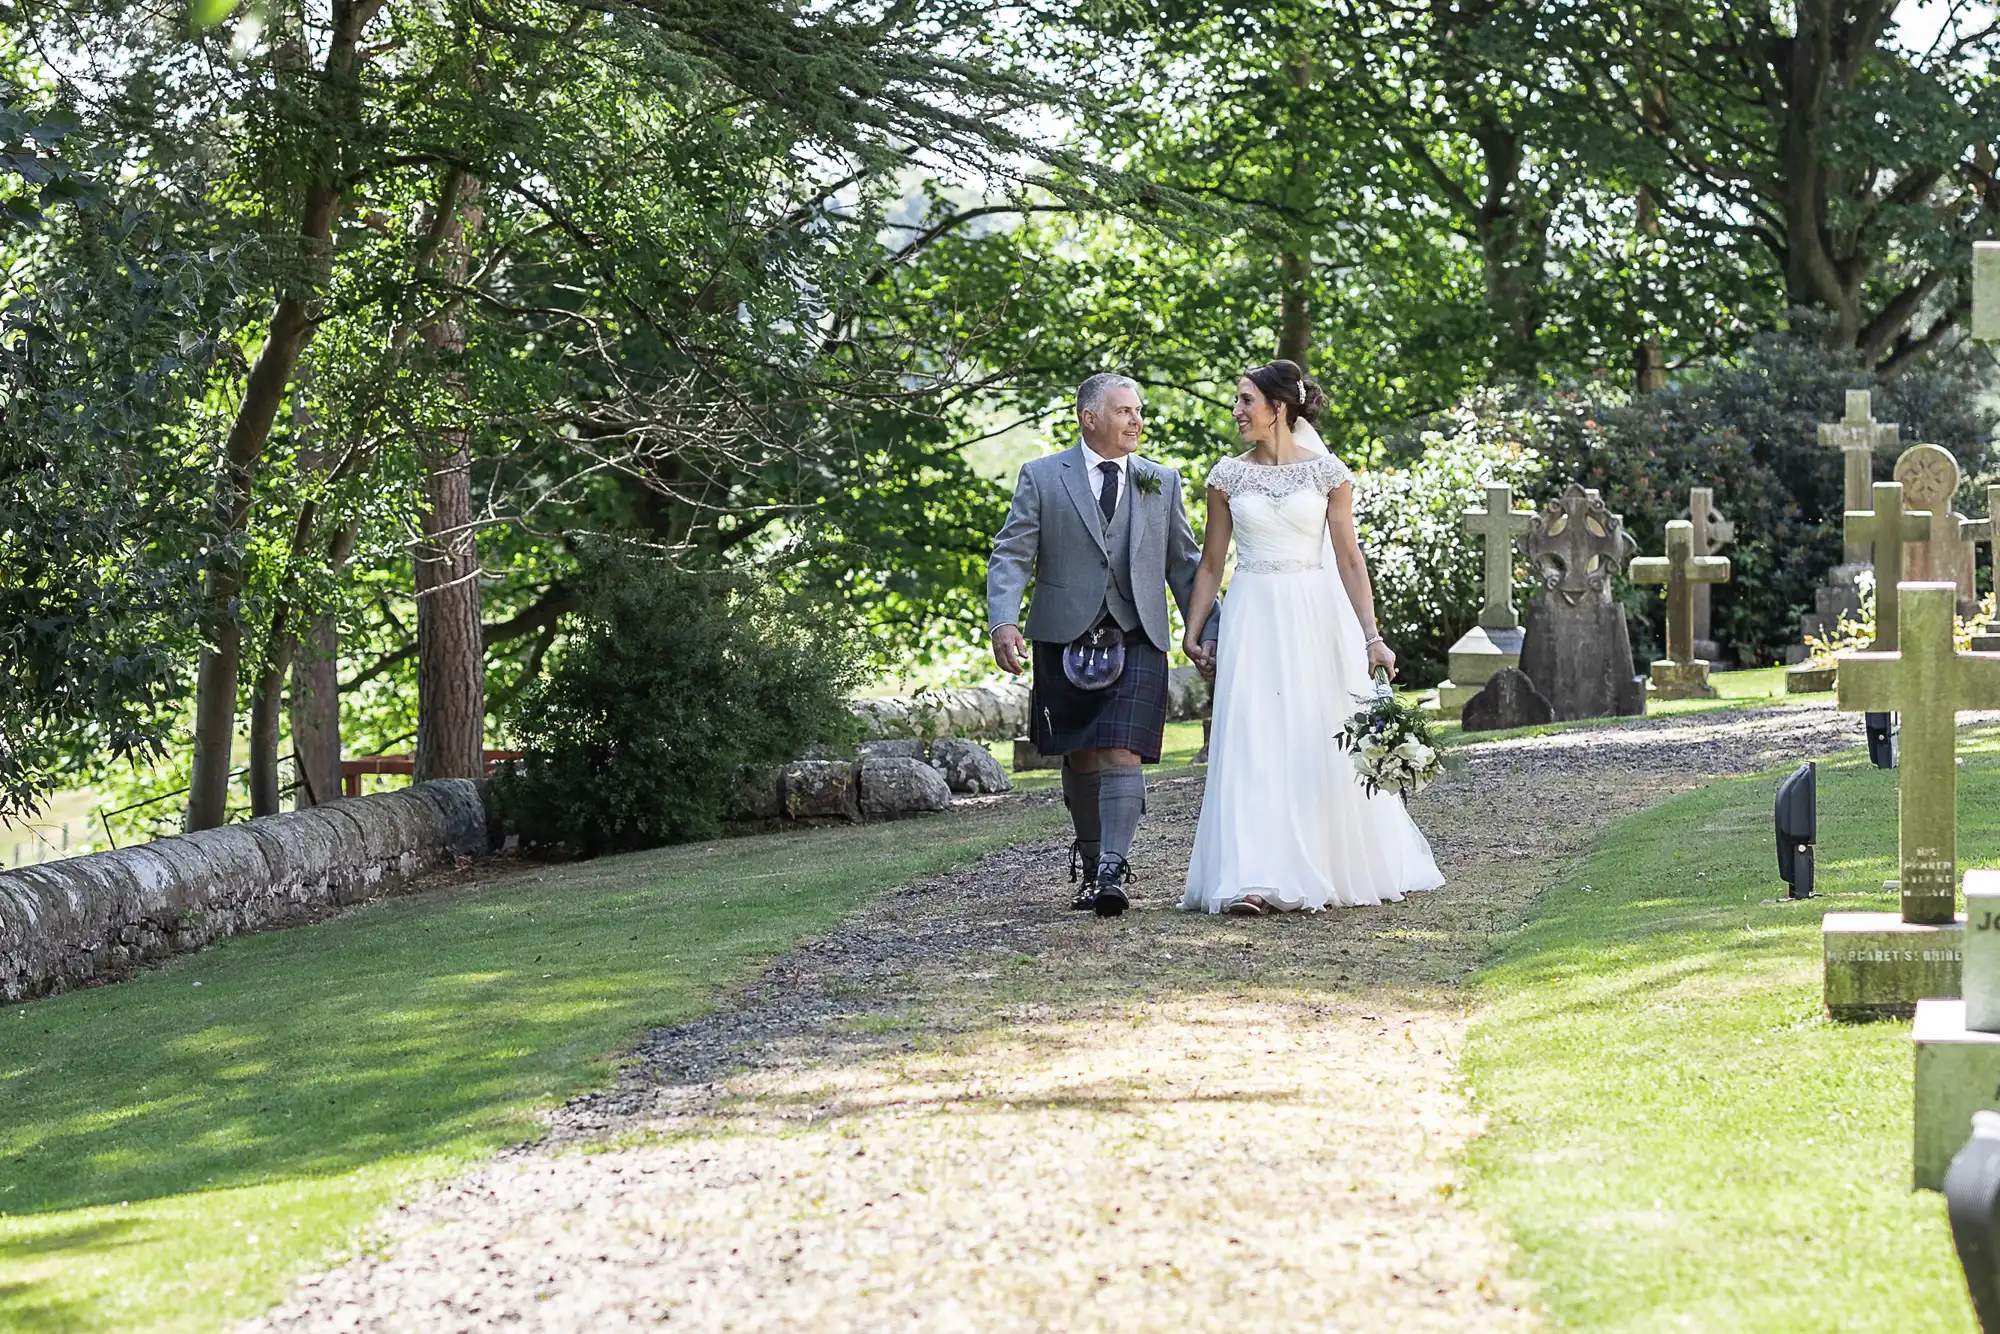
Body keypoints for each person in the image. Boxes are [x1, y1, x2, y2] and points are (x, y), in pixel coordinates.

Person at [1180, 360, 1443, 915]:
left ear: (1279, 408)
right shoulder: (1227, 476)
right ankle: (1250, 877)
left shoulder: (1328, 474)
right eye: (1237, 400)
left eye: (1246, 400)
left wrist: (1373, 637)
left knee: (1312, 736)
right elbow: (1210, 563)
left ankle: (1321, 862)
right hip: (1252, 615)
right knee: (1253, 740)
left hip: (1314, 614)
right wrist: (1194, 631)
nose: (1237, 411)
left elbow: (1348, 558)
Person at [987, 373, 1217, 917]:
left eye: (1138, 411)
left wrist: (1208, 630)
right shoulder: (1042, 477)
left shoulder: (1161, 480)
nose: (1136, 420)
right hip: (1063, 634)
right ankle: (1091, 861)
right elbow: (1013, 553)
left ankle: (1114, 867)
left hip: (1138, 631)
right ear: (1089, 418)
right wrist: (1003, 621)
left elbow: (1184, 564)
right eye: (1124, 412)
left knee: (1122, 749)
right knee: (1082, 754)